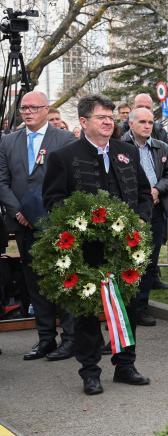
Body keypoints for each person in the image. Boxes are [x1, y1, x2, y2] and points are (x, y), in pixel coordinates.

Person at [42, 94, 152, 395]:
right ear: (83, 121)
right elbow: (52, 200)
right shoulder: (63, 157)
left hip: (124, 248)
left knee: (126, 307)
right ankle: (90, 371)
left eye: (110, 116)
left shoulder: (126, 151)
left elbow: (144, 192)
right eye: (101, 117)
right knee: (87, 311)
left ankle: (125, 365)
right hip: (85, 250)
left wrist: (142, 219)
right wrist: (80, 222)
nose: (108, 121)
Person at [0, 91, 76, 361]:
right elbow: (2, 180)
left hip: (55, 223)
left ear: (47, 109)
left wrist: (40, 212)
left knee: (62, 278)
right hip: (23, 224)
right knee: (35, 282)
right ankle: (46, 338)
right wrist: (19, 211)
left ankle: (70, 338)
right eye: (24, 108)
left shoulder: (64, 139)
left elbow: (69, 180)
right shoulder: (8, 141)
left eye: (34, 107)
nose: (28, 112)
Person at [121, 108, 168, 326]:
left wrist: (157, 190)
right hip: (129, 212)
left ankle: (141, 307)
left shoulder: (161, 147)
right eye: (142, 122)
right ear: (131, 124)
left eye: (150, 122)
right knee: (127, 262)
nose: (147, 126)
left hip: (155, 210)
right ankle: (124, 310)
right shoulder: (121, 146)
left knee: (149, 261)